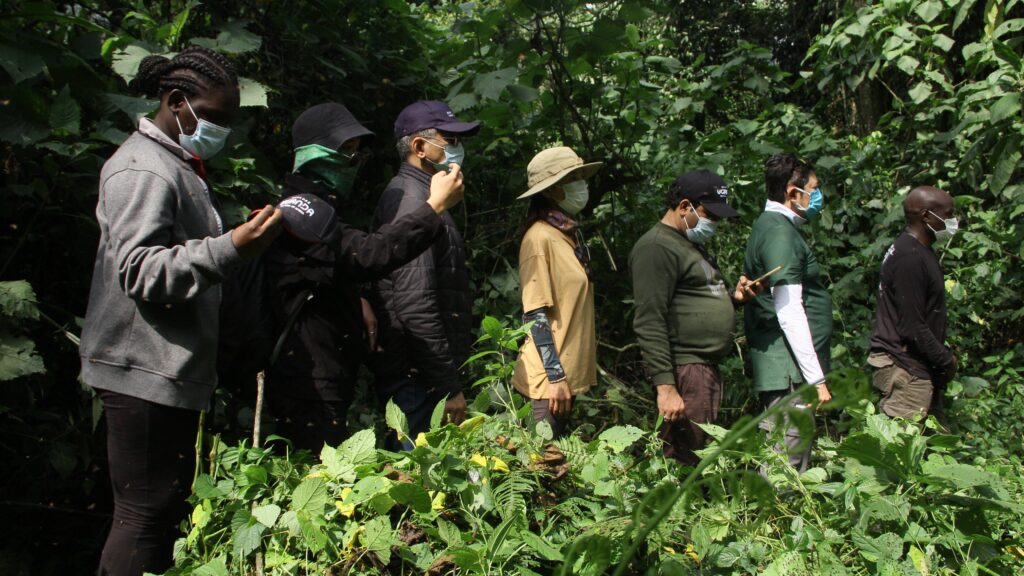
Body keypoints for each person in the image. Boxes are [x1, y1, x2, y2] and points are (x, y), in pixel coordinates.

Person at [78, 47, 283, 576]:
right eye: (213, 118)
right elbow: (141, 272)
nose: (221, 132)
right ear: (175, 101)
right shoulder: (143, 169)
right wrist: (231, 247)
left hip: (162, 368)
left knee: (156, 511)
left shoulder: (177, 166)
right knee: (142, 516)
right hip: (139, 369)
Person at [261, 103, 466, 451]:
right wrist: (433, 209)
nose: (352, 163)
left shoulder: (321, 207)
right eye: (345, 152)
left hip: (330, 370)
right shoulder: (301, 208)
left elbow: (332, 264)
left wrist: (358, 296)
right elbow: (370, 258)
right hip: (309, 375)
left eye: (356, 153)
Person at [368, 101, 480, 446]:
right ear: (419, 147)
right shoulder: (413, 203)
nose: (458, 150)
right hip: (418, 382)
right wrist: (447, 387)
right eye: (450, 140)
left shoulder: (426, 197)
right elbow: (415, 304)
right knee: (417, 487)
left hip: (422, 377)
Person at [630, 170, 760, 465]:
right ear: (685, 206)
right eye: (708, 214)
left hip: (702, 371)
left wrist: (735, 299)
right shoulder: (656, 248)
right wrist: (666, 387)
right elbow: (650, 319)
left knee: (699, 456)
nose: (714, 223)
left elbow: (695, 300)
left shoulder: (686, 244)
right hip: (685, 371)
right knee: (685, 460)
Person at [743, 153, 833, 472]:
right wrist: (817, 379)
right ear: (793, 193)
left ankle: (784, 521)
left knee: (790, 461)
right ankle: (771, 522)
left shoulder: (778, 227)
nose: (818, 197)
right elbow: (789, 311)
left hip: (791, 372)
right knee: (785, 465)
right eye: (814, 189)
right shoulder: (779, 233)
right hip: (789, 374)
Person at [510, 146, 602, 438]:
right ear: (552, 190)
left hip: (564, 379)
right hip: (548, 383)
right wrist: (556, 377)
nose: (581, 185)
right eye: (573, 178)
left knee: (554, 468)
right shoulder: (539, 238)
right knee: (540, 468)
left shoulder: (565, 233)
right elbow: (535, 313)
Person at [867, 186, 958, 420]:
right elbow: (912, 326)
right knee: (898, 451)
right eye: (948, 215)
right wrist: (946, 360)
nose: (953, 221)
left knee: (936, 448)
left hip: (918, 367)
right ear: (926, 216)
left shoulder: (915, 250)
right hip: (905, 369)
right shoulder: (911, 257)